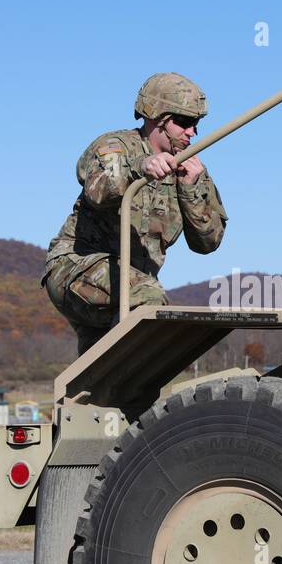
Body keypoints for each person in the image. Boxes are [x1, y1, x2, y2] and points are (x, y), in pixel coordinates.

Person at [41, 73, 228, 354]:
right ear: (157, 117)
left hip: (128, 285)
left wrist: (189, 189)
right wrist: (140, 167)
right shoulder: (115, 147)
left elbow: (208, 242)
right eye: (185, 122)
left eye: (196, 124)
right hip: (77, 270)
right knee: (149, 302)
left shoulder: (191, 170)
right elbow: (98, 189)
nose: (192, 133)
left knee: (112, 386)